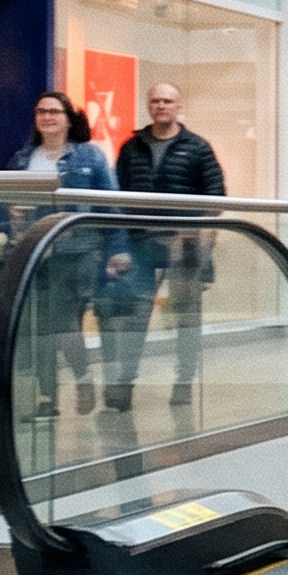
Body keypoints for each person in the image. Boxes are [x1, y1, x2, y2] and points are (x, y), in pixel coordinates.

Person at [102, 81, 226, 412]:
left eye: (168, 101)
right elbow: (118, 198)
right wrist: (119, 245)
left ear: (177, 106)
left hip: (184, 246)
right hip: (141, 245)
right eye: (156, 100)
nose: (161, 106)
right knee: (135, 315)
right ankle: (125, 383)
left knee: (186, 318)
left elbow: (215, 199)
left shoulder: (198, 148)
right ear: (148, 105)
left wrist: (202, 249)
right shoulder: (131, 148)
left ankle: (184, 381)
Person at [5, 92, 121, 421]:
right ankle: (47, 397)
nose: (48, 117)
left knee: (60, 321)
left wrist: (117, 249)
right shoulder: (24, 158)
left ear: (69, 119)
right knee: (40, 326)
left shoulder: (90, 156)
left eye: (55, 112)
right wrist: (13, 218)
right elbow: (9, 202)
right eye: (41, 111)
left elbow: (110, 205)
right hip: (35, 251)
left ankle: (78, 380)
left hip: (78, 252)